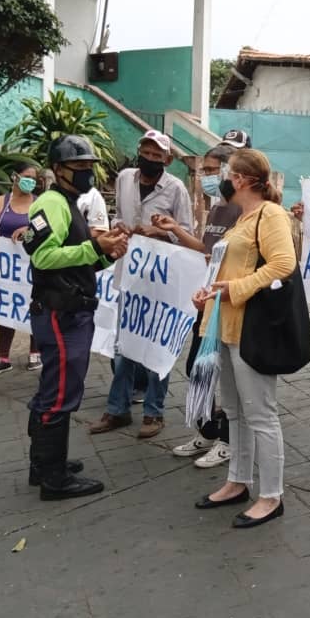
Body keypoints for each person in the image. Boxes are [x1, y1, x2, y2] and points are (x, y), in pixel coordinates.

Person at [191, 149, 296, 528]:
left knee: (261, 414)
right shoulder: (242, 219)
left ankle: (271, 495)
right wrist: (207, 292)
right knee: (234, 411)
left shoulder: (270, 215)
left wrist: (236, 288)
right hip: (225, 325)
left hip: (251, 328)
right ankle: (238, 480)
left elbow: (284, 263)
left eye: (225, 172)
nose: (219, 177)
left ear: (243, 179)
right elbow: (226, 268)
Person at [23, 135, 128, 500]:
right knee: (60, 392)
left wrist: (105, 255)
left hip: (70, 309)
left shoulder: (69, 204)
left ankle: (45, 464)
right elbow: (43, 258)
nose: (87, 173)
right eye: (79, 167)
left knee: (56, 388)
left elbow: (75, 259)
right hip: (60, 313)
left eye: (89, 167)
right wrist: (92, 246)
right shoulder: (52, 203)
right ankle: (53, 479)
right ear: (58, 169)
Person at [91, 130, 194, 438]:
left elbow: (186, 233)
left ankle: (154, 412)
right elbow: (119, 215)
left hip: (161, 280)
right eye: (145, 153)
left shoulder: (176, 189)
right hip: (129, 275)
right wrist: (121, 227)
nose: (149, 159)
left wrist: (157, 232)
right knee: (123, 347)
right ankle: (117, 409)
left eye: (156, 155)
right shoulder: (124, 178)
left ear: (168, 159)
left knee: (157, 346)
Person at [155, 143, 242, 469]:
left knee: (228, 378)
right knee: (197, 369)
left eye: (209, 170)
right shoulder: (218, 208)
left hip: (227, 304)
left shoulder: (243, 211)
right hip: (207, 302)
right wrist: (176, 230)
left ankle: (230, 441)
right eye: (203, 170)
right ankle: (207, 430)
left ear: (227, 172)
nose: (204, 176)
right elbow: (207, 249)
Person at [0, 162, 41, 377]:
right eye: (27, 176)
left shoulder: (40, 204)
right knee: (6, 308)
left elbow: (47, 230)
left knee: (35, 307)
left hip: (32, 266)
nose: (31, 181)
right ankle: (3, 357)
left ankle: (35, 352)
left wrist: (29, 231)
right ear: (14, 176)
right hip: (5, 270)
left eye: (34, 178)